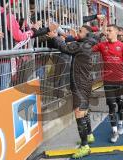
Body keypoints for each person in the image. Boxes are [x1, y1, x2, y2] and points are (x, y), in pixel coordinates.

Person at [48, 25, 98, 159]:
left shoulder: (81, 45)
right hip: (85, 82)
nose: (77, 32)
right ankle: (89, 135)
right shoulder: (88, 43)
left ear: (87, 34)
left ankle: (84, 146)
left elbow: (64, 48)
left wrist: (55, 38)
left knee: (79, 113)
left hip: (80, 83)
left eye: (80, 31)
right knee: (84, 110)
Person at [92, 24, 123, 143]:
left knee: (121, 105)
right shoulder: (101, 45)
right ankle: (114, 131)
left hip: (120, 81)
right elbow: (88, 49)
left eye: (109, 30)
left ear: (116, 32)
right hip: (108, 81)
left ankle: (120, 124)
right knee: (111, 105)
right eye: (106, 30)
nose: (107, 32)